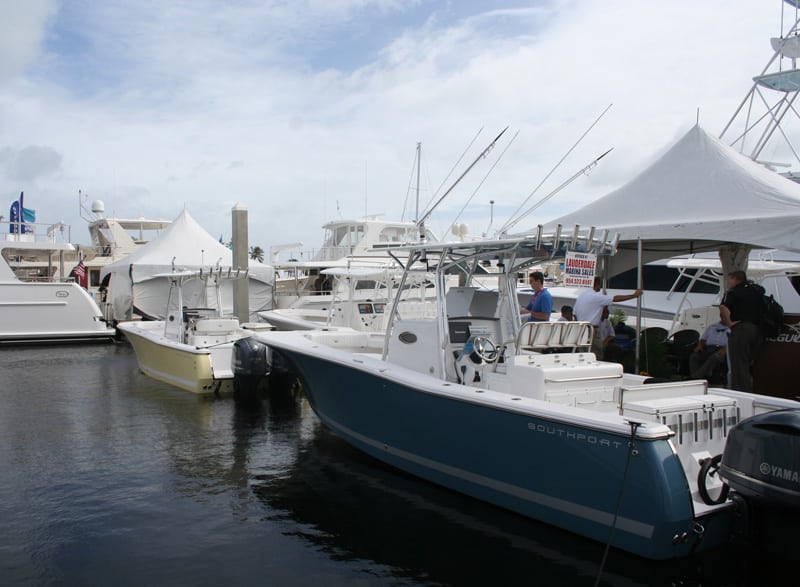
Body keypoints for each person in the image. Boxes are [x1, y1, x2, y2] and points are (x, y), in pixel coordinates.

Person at [573, 277, 643, 356]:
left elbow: (574, 314)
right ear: (598, 285)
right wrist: (634, 295)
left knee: (582, 355)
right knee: (595, 355)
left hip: (580, 329)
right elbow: (615, 298)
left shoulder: (582, 295)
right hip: (590, 330)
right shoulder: (596, 296)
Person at [720, 270, 763, 392]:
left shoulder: (733, 292)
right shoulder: (756, 290)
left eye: (730, 279)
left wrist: (729, 323)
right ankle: (752, 387)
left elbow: (723, 307)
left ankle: (741, 392)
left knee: (739, 363)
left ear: (735, 279)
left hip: (741, 329)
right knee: (749, 361)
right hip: (757, 329)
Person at [689, 312, 729, 382]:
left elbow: (732, 343)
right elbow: (703, 339)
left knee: (714, 357)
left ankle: (696, 378)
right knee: (694, 356)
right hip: (709, 348)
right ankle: (700, 377)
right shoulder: (712, 326)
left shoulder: (732, 328)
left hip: (723, 349)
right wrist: (700, 346)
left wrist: (725, 349)